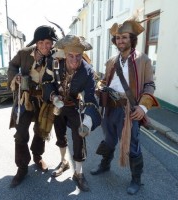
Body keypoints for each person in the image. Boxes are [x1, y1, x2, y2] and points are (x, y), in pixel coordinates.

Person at [90, 19, 159, 195]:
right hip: (109, 108)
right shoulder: (111, 61)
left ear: (132, 39)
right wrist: (99, 86)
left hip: (129, 111)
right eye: (118, 38)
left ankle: (136, 179)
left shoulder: (143, 60)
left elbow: (150, 85)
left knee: (132, 146)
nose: (120, 40)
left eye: (124, 37)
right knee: (109, 140)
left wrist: (143, 107)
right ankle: (105, 165)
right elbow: (104, 81)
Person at [42, 35, 101, 192]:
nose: (75, 60)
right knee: (60, 135)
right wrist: (53, 96)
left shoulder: (87, 71)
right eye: (71, 56)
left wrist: (87, 123)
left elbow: (90, 98)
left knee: (79, 138)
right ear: (65, 54)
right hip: (58, 105)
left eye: (78, 56)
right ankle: (64, 162)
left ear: (83, 55)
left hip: (75, 106)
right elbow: (46, 82)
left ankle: (78, 173)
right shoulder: (54, 63)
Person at [8, 25, 58, 188]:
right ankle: (22, 167)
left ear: (52, 43)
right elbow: (12, 65)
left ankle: (37, 156)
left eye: (48, 43)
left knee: (41, 130)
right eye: (41, 42)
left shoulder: (55, 57)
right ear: (36, 43)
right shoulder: (24, 54)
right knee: (21, 133)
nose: (45, 46)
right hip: (25, 98)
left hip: (44, 100)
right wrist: (15, 76)